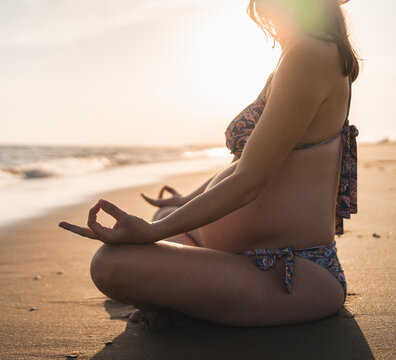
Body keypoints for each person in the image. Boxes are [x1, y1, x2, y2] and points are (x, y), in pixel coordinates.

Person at [58, 0, 359, 328]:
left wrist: (153, 232)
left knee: (110, 265)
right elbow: (246, 160)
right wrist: (185, 202)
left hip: (285, 272)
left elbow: (250, 179)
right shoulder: (298, 55)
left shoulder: (312, 55)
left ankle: (184, 306)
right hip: (240, 258)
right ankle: (186, 301)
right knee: (163, 216)